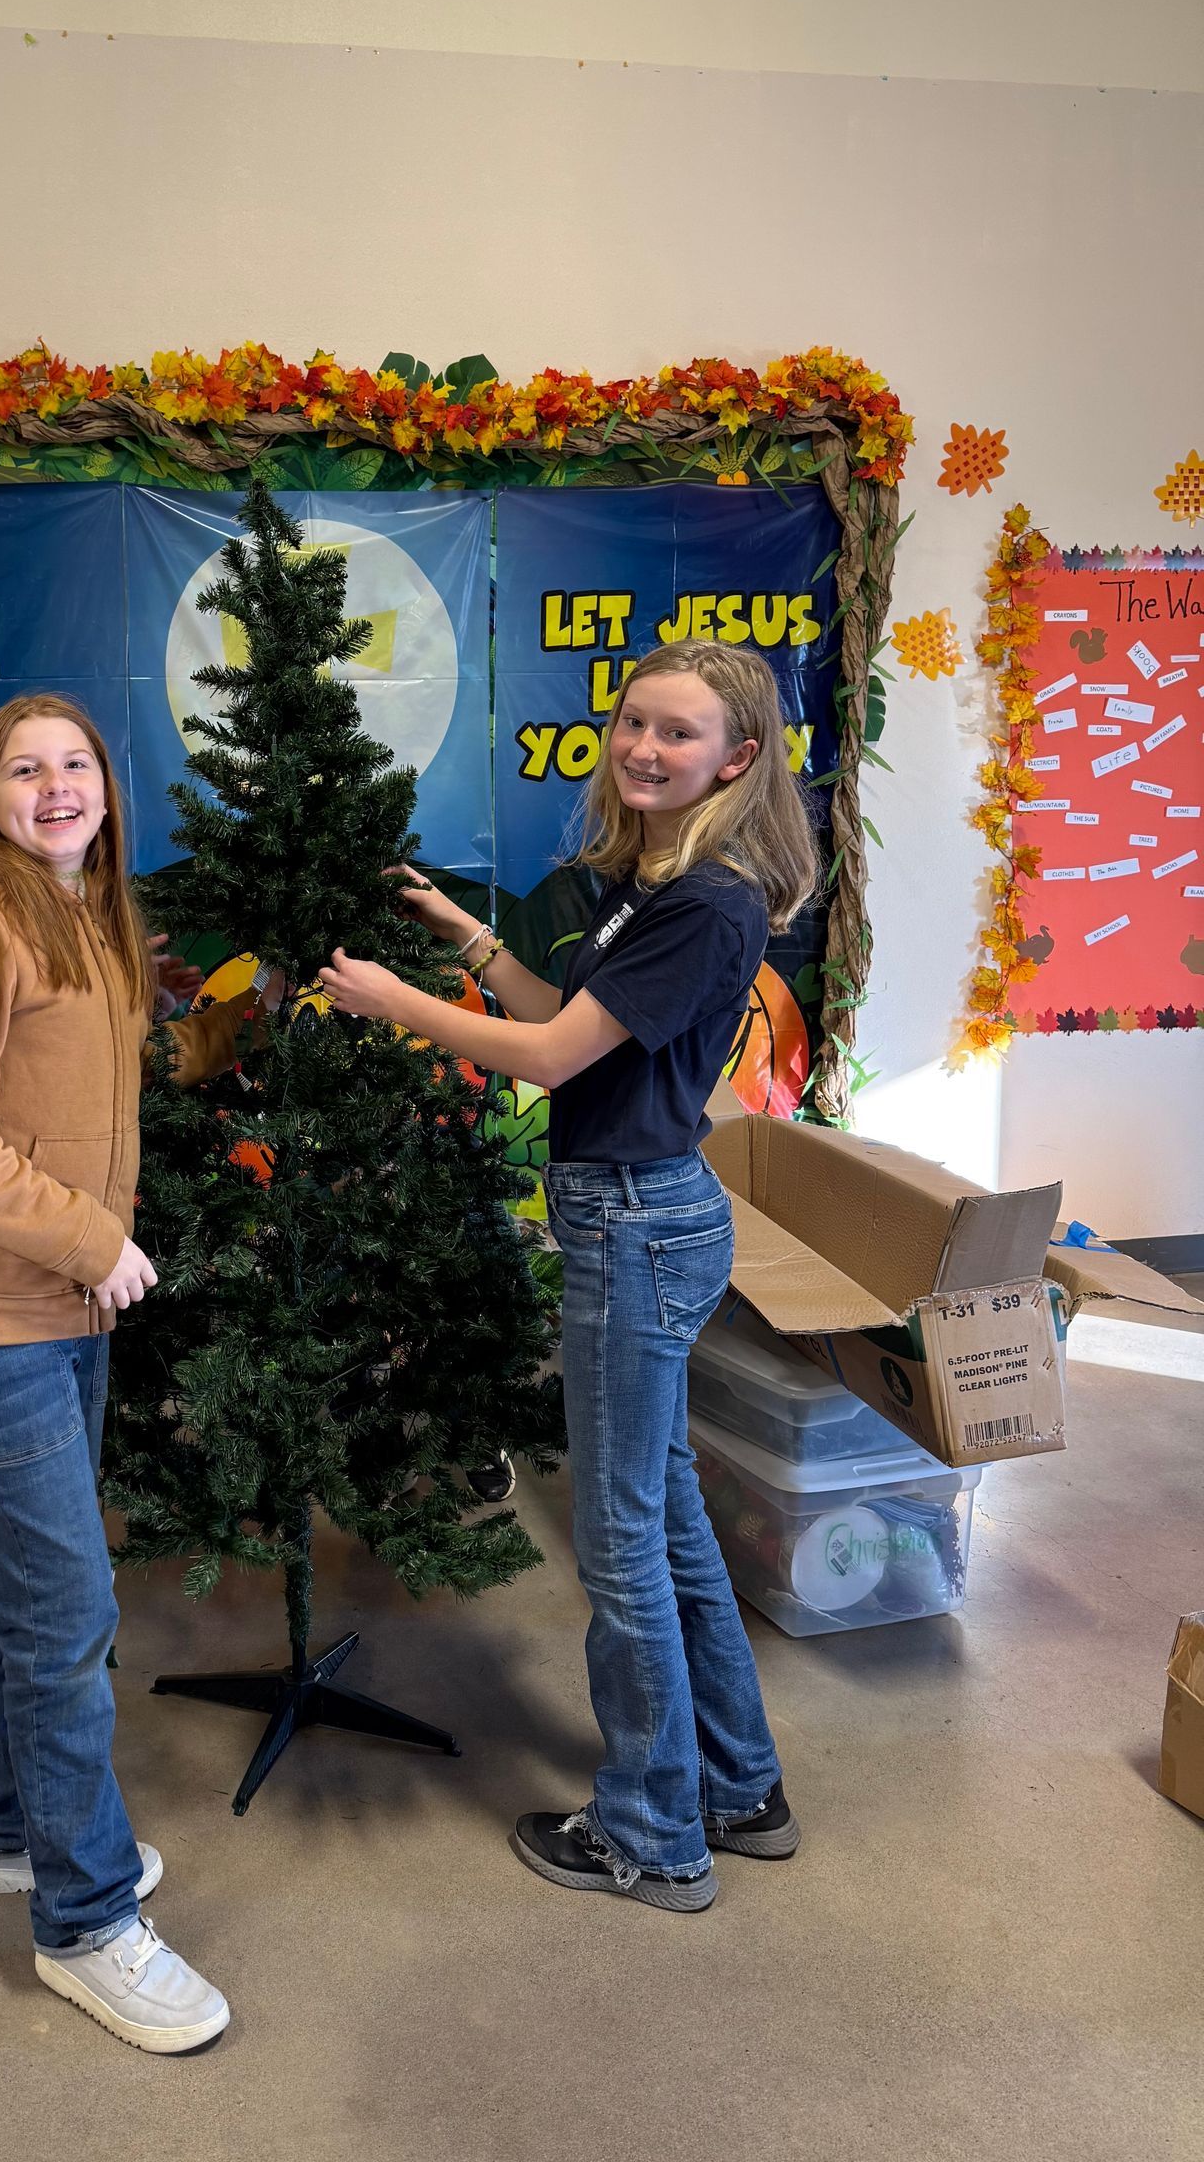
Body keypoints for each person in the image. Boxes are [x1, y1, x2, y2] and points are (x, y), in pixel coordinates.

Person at [318, 640, 818, 1916]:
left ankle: (654, 1831)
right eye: (634, 722)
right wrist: (468, 937)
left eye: (681, 733)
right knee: (667, 1519)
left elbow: (545, 1063)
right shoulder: (650, 881)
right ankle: (737, 1782)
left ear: (739, 758)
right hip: (641, 1213)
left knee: (619, 1547)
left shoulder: (709, 898)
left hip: (634, 1226)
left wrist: (389, 1002)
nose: (646, 747)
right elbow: (576, 1028)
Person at [0, 694, 257, 2055]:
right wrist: (98, 1242)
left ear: (107, 785)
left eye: (74, 762)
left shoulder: (78, 902)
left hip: (50, 1296)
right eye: (22, 768)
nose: (53, 785)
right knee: (63, 1613)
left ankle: (1, 1836)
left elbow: (97, 1085)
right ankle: (87, 1925)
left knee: (16, 1587)